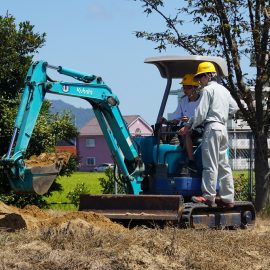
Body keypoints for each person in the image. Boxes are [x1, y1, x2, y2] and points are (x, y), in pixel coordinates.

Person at [179, 62, 239, 208]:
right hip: (223, 128)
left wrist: (188, 125)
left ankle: (208, 197)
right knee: (223, 164)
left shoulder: (207, 90)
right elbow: (234, 107)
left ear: (208, 75)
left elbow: (200, 113)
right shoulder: (224, 90)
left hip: (212, 128)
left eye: (200, 77)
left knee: (210, 164)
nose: (199, 81)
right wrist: (222, 113)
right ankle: (228, 198)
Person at [161, 73, 202, 173]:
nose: (185, 90)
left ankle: (190, 161)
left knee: (185, 132)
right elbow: (176, 118)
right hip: (184, 127)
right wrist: (166, 121)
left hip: (198, 126)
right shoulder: (183, 101)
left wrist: (189, 120)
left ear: (195, 88)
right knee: (162, 131)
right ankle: (166, 161)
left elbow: (202, 117)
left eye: (187, 88)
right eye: (184, 87)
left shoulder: (202, 100)